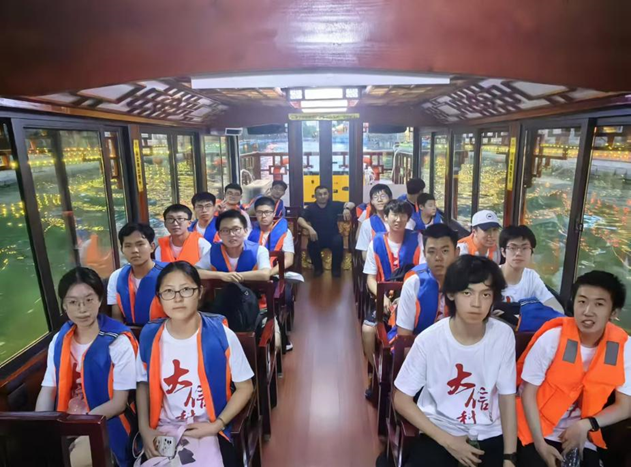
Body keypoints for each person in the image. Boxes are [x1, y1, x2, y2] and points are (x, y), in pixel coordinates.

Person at [393, 256, 517, 467]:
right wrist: (448, 442)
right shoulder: (429, 340)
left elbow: (507, 398)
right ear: (451, 294)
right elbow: (401, 399)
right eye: (467, 293)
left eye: (485, 294)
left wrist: (509, 458)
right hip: (439, 433)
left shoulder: (503, 336)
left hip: (489, 434)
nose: (476, 304)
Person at [137, 262, 254, 466]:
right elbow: (143, 384)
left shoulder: (221, 335)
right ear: (159, 298)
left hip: (211, 426)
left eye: (186, 289)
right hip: (165, 427)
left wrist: (218, 424)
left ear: (199, 292)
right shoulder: (150, 336)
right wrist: (144, 429)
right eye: (169, 291)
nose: (178, 298)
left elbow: (245, 387)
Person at [517, 271, 630, 467]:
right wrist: (540, 445)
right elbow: (528, 393)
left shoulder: (624, 347)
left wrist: (586, 425)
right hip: (535, 428)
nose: (588, 311)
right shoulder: (553, 338)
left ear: (614, 313)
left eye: (599, 304)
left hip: (582, 432)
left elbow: (625, 407)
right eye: (582, 301)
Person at [36, 267, 138, 467]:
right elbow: (48, 390)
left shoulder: (119, 341)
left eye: (89, 300)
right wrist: (42, 426)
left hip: (108, 421)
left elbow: (118, 403)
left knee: (67, 460)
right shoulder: (59, 340)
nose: (82, 309)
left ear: (99, 300)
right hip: (65, 419)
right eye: (73, 302)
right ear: (64, 305)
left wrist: (74, 428)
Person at [361, 200, 423, 395]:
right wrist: (383, 298)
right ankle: (378, 371)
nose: (398, 219)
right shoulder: (376, 243)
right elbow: (371, 279)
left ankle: (407, 379)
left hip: (413, 299)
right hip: (384, 299)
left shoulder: (418, 240)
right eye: (394, 215)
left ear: (408, 218)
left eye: (403, 215)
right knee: (367, 329)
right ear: (386, 218)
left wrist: (404, 297)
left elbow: (423, 274)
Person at [394, 223, 459, 337]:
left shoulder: (466, 282)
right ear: (424, 253)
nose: (438, 258)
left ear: (456, 253)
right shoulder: (414, 283)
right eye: (431, 252)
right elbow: (404, 336)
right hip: (418, 344)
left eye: (445, 251)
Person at [108, 222, 168, 325]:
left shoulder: (169, 273)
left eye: (140, 244)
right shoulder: (116, 276)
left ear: (152, 247)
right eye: (128, 246)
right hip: (130, 332)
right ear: (122, 250)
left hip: (165, 330)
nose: (135, 250)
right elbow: (117, 317)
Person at [499, 225, 564, 312]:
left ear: (532, 252)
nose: (518, 253)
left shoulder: (531, 277)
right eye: (513, 248)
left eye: (524, 248)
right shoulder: (490, 276)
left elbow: (558, 309)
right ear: (503, 252)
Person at [197, 209, 272, 282]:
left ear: (245, 231)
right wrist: (221, 275)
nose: (231, 234)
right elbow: (196, 271)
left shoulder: (259, 250)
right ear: (219, 234)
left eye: (236, 229)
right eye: (225, 230)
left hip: (252, 290)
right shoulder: (213, 251)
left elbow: (265, 274)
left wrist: (232, 276)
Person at [298, 185, 354, 277]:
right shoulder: (310, 208)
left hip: (333, 236)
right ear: (315, 196)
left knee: (338, 240)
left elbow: (351, 203)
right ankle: (318, 269)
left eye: (325, 194)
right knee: (312, 243)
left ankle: (336, 269)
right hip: (317, 236)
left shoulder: (334, 205)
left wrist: (346, 209)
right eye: (319, 194)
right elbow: (300, 219)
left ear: (328, 195)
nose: (323, 196)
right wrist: (309, 228)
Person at [155, 204, 212, 270]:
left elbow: (209, 271)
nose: (175, 223)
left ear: (189, 223)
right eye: (170, 219)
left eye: (180, 219)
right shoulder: (160, 249)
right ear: (165, 224)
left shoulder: (202, 245)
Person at [248, 196, 294, 277]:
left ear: (273, 213)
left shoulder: (285, 232)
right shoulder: (250, 232)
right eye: (259, 212)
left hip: (275, 274)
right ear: (255, 213)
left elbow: (289, 260)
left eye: (267, 212)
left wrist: (269, 273)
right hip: (252, 274)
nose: (263, 216)